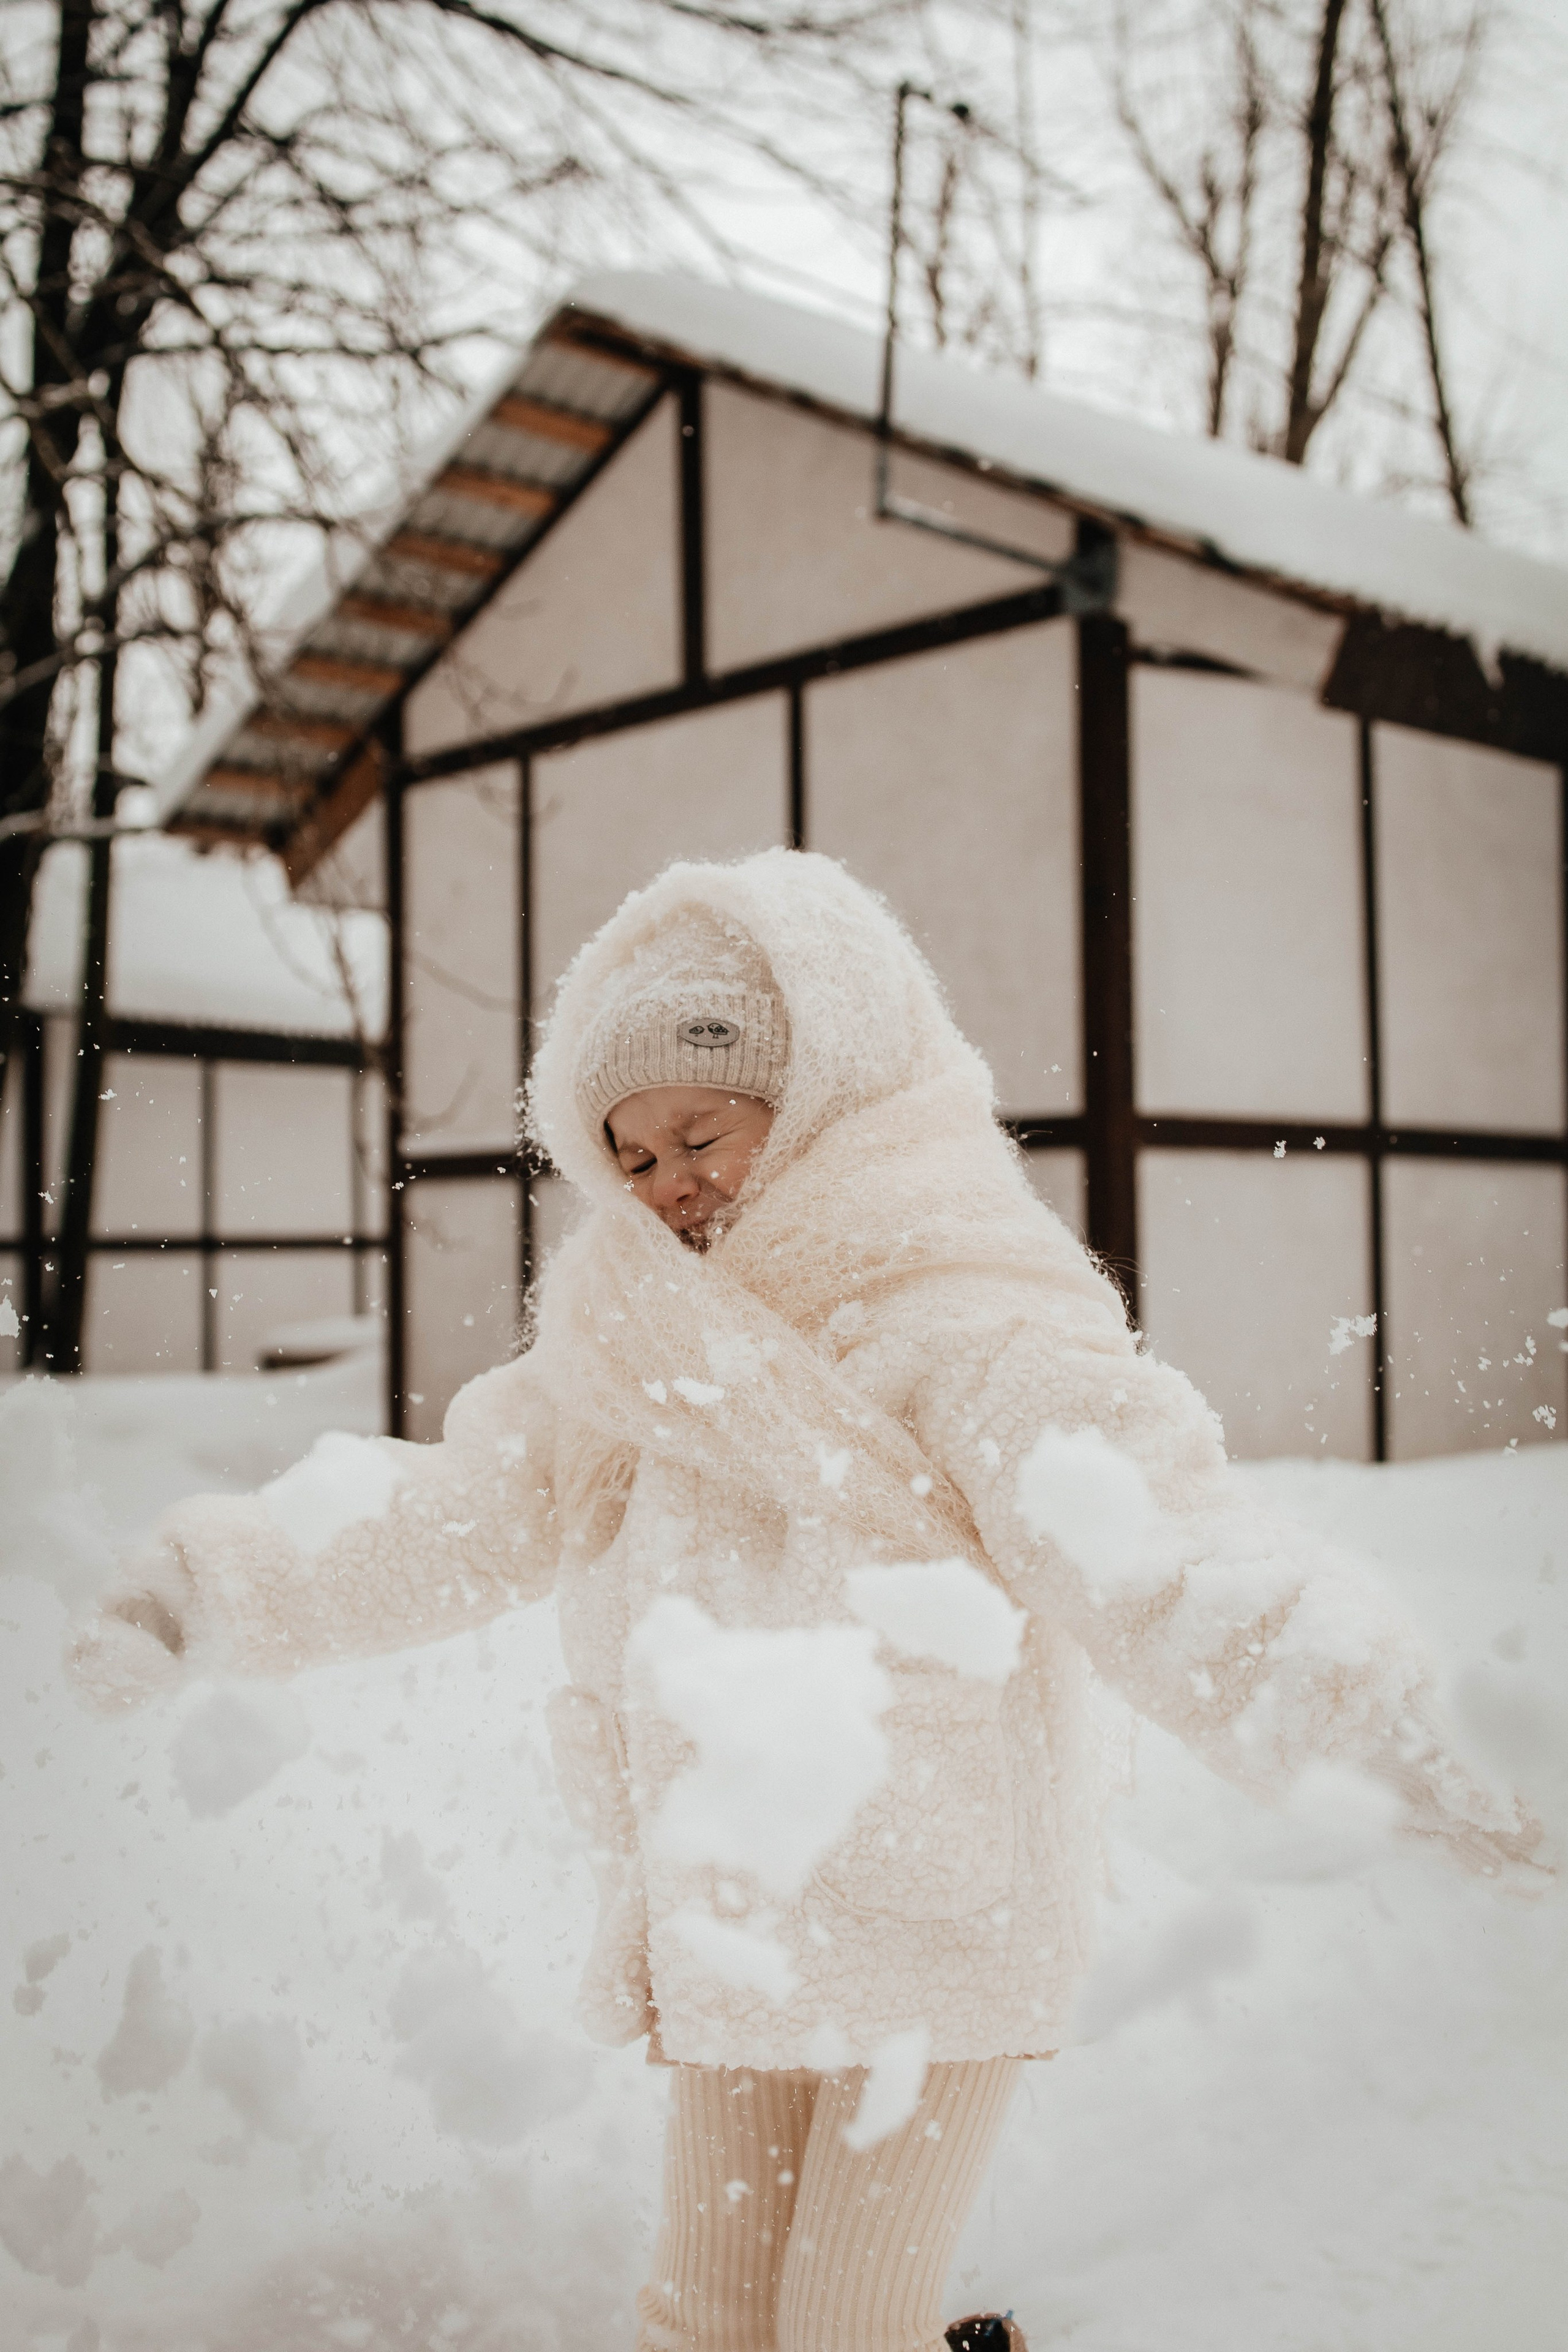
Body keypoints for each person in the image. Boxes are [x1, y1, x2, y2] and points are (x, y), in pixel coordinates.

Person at [72, 848, 1544, 2352]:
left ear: (820, 1090)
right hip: (737, 1906)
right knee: (702, 2314)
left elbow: (1164, 1555)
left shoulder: (965, 1317)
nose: (668, 1187)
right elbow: (460, 1507)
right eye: (628, 1159)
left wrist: (1431, 1747)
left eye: (698, 1132)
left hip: (937, 1920)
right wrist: (213, 1591)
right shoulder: (629, 1341)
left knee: (845, 2324)